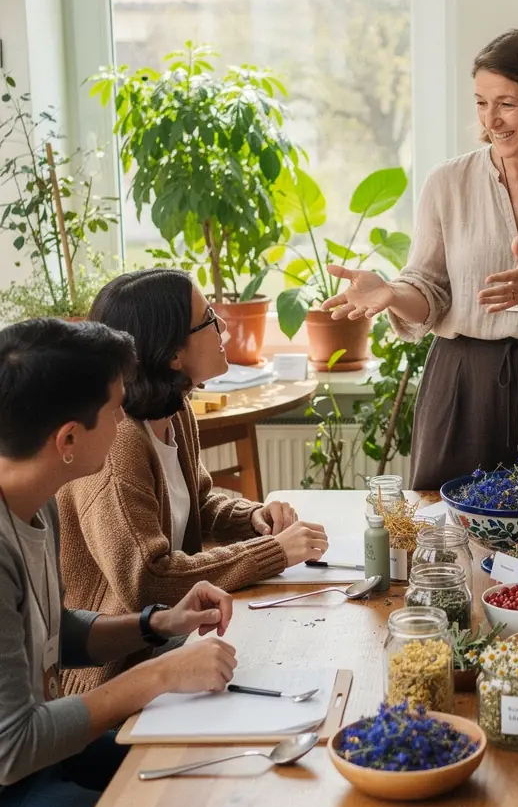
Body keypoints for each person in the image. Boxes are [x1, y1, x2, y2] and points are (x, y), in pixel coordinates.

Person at [322, 28, 518, 489]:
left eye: (507, 103)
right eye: (481, 103)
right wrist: (392, 293)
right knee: (449, 533)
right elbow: (429, 292)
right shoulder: (447, 183)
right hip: (464, 386)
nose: (492, 120)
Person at [0, 318, 240, 807]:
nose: (124, 419)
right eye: (113, 409)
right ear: (67, 440)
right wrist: (156, 677)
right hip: (12, 791)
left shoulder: (34, 505)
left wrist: (156, 624)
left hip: (38, 767)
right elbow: (14, 744)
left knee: (213, 779)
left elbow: (53, 632)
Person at [59, 270, 328, 695]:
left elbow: (197, 502)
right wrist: (272, 551)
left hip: (173, 645)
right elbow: (148, 581)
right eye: (208, 320)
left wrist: (253, 518)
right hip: (115, 679)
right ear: (172, 355)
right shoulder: (119, 444)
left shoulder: (174, 410)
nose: (223, 326)